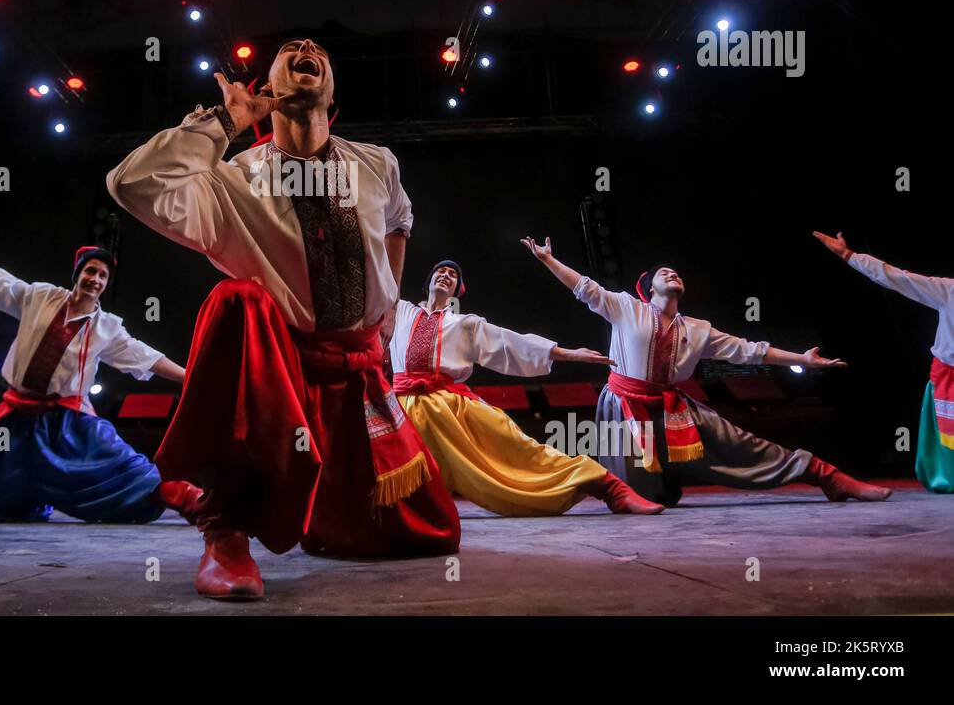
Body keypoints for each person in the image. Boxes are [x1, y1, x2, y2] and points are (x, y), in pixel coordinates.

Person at [107, 38, 460, 600]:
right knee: (237, 300)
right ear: (267, 88)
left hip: (357, 372)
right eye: (289, 49)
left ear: (332, 91)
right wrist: (225, 120)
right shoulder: (230, 180)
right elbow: (131, 184)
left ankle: (292, 501)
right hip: (277, 377)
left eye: (319, 49)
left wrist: (389, 299)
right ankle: (224, 529)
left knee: (435, 534)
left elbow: (400, 220)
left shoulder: (375, 163)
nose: (306, 47)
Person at [524, 236, 890, 506]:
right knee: (643, 497)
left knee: (742, 446)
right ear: (647, 289)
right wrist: (548, 260)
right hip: (625, 408)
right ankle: (648, 487)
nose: (672, 273)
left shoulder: (697, 328)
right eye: (663, 273)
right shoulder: (625, 308)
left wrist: (803, 359)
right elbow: (585, 288)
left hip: (672, 408)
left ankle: (827, 477)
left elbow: (749, 351)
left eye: (676, 273)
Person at [0, 241, 200, 522]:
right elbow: (5, 286)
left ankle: (185, 497)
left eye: (102, 276)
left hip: (70, 419)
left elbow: (144, 355)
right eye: (90, 271)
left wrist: (189, 377)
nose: (95, 280)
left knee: (125, 470)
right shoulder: (41, 297)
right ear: (77, 274)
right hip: (18, 418)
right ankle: (31, 499)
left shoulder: (107, 327)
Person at [390, 260, 663, 515]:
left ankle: (607, 487)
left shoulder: (464, 324)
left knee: (522, 453)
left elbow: (512, 343)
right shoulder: (398, 310)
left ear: (456, 292)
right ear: (428, 281)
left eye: (453, 275)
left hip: (449, 412)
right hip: (400, 410)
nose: (446, 275)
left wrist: (568, 353)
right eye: (441, 271)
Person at [814, 230, 954, 492]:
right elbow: (897, 277)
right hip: (948, 377)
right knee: (949, 437)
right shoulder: (949, 290)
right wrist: (849, 256)